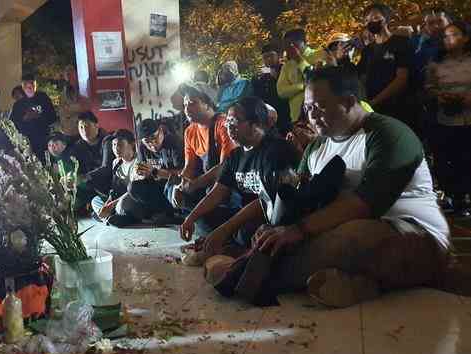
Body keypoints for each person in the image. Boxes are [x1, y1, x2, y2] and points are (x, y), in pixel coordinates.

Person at [249, 66, 450, 308]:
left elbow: (364, 205)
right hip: (339, 229)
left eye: (318, 106)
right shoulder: (316, 147)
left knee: (354, 235)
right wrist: (274, 228)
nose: (311, 116)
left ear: (349, 101)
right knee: (278, 235)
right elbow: (299, 198)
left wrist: (298, 230)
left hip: (415, 236)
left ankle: (252, 274)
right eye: (307, 108)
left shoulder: (387, 134)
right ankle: (359, 285)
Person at [180, 96, 300, 265]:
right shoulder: (235, 156)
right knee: (203, 219)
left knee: (245, 231)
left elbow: (268, 202)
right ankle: (230, 246)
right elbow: (218, 192)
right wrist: (191, 218)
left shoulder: (276, 151)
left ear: (256, 123)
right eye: (227, 122)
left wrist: (225, 229)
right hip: (243, 215)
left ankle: (233, 250)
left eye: (234, 121)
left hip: (271, 217)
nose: (229, 127)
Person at [168, 83, 238, 234]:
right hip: (206, 186)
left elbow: (224, 168)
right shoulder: (190, 131)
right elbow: (189, 167)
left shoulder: (223, 125)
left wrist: (194, 185)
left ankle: (212, 227)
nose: (186, 109)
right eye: (185, 104)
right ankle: (205, 222)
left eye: (192, 103)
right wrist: (181, 186)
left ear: (207, 103)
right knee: (171, 189)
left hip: (227, 188)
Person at [425, 21, 471, 216]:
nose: (449, 39)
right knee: (448, 158)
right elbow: (429, 87)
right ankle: (455, 198)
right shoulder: (436, 63)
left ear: (466, 37)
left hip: (469, 117)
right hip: (445, 118)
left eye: (454, 35)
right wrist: (439, 96)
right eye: (446, 36)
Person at [357, 4, 418, 136]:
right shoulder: (368, 51)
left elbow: (402, 79)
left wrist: (374, 101)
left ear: (386, 19)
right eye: (366, 20)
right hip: (373, 111)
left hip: (399, 108)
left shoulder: (401, 43)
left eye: (375, 17)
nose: (370, 22)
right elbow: (361, 77)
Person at [127, 118, 184, 223]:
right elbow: (143, 171)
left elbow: (182, 173)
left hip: (174, 185)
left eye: (154, 137)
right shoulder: (142, 148)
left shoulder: (174, 142)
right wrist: (140, 173)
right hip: (157, 185)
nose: (152, 143)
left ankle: (177, 214)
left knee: (174, 185)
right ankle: (163, 213)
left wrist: (155, 172)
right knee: (133, 187)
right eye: (147, 141)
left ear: (161, 131)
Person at [90, 129, 141, 227]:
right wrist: (107, 204)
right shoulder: (116, 162)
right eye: (113, 145)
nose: (116, 148)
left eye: (120, 145)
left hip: (132, 198)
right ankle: (110, 218)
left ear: (132, 144)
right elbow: (114, 189)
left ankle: (108, 217)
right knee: (95, 200)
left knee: (121, 205)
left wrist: (111, 205)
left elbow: (134, 191)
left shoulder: (137, 162)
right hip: (119, 197)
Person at [277, 28, 327, 124]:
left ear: (304, 42)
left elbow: (317, 80)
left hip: (320, 115)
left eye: (292, 44)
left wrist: (299, 59)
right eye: (286, 46)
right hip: (297, 118)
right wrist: (303, 86)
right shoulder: (287, 66)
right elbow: (281, 91)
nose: (289, 48)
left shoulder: (320, 55)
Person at [9, 73, 57, 160]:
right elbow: (12, 125)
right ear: (23, 87)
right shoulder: (18, 105)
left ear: (35, 85)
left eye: (32, 84)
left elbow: (53, 117)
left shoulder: (43, 98)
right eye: (26, 85)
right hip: (28, 143)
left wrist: (39, 116)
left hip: (45, 139)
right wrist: (25, 118)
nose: (29, 87)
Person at [253, 43, 291, 135]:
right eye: (265, 57)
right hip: (272, 120)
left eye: (271, 55)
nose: (268, 59)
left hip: (289, 115)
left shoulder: (288, 71)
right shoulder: (263, 79)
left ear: (278, 55)